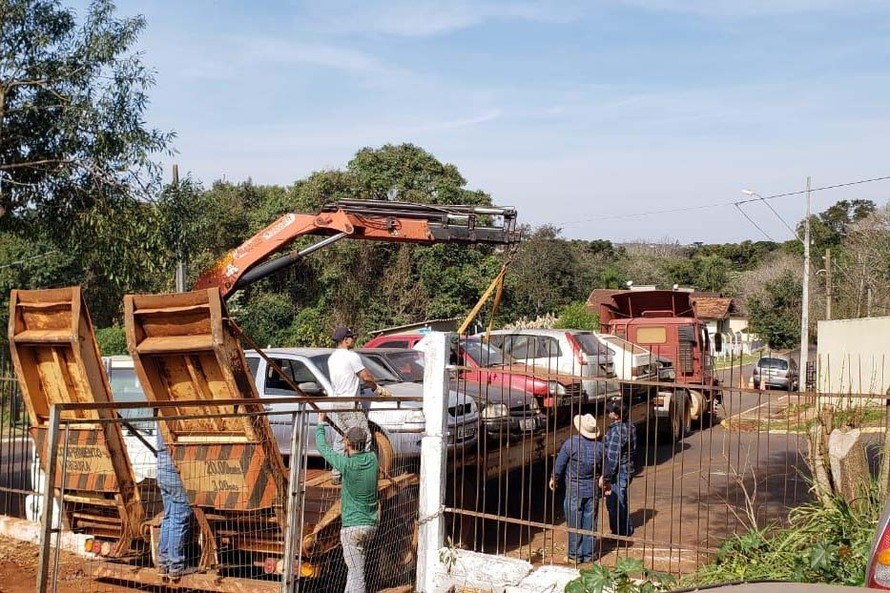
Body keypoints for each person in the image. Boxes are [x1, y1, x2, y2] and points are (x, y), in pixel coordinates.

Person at [317, 413, 379, 593]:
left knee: (357, 575)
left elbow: (323, 447)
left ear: (347, 444)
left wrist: (321, 424)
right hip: (370, 525)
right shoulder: (373, 459)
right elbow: (359, 450)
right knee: (354, 571)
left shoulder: (346, 465)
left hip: (352, 528)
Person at [327, 326, 392, 483]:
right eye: (351, 337)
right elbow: (365, 376)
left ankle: (336, 474)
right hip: (351, 404)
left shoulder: (332, 358)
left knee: (341, 437)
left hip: (338, 403)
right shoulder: (351, 356)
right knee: (363, 436)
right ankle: (362, 473)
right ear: (345, 340)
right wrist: (377, 388)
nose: (354, 340)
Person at [549, 413, 605, 564]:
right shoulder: (599, 447)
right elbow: (607, 468)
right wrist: (604, 478)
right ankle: (588, 554)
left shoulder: (571, 444)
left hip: (574, 488)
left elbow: (560, 464)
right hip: (592, 489)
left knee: (574, 522)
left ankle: (574, 555)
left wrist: (554, 477)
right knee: (590, 522)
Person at [156, 427, 195, 582]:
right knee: (179, 519)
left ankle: (163, 563)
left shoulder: (160, 420)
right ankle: (175, 566)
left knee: (169, 517)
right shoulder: (173, 419)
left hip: (162, 469)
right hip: (176, 469)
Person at [599, 400, 637, 538]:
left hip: (618, 472)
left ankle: (620, 532)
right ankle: (623, 529)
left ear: (616, 415)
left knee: (615, 503)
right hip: (627, 468)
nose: (608, 413)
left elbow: (612, 458)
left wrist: (606, 477)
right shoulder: (630, 426)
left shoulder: (617, 432)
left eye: (610, 411)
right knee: (621, 501)